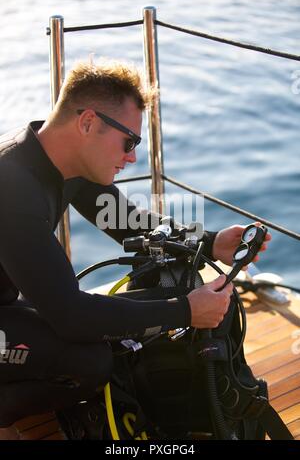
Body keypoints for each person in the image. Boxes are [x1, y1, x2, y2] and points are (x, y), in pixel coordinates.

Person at [0, 60, 271, 428]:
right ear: (88, 123)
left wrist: (210, 244)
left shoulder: (60, 160)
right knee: (90, 363)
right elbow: (72, 317)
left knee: (119, 329)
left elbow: (126, 221)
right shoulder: (12, 187)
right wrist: (185, 311)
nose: (132, 157)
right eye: (130, 141)